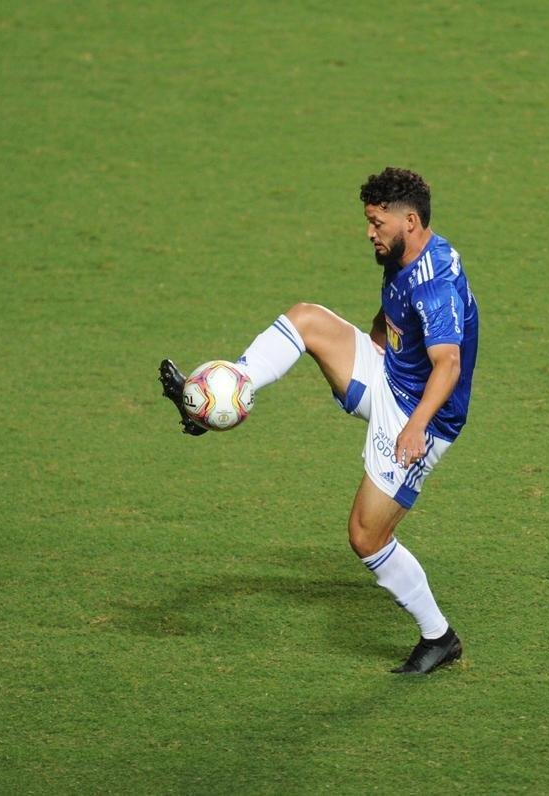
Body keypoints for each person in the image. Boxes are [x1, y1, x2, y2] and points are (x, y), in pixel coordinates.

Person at [159, 167, 479, 675]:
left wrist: (414, 428)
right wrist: (372, 342)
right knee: (307, 318)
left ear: (410, 221)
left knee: (365, 538)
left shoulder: (435, 285)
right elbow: (394, 307)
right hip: (389, 373)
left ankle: (439, 637)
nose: (369, 232)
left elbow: (449, 365)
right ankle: (223, 395)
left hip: (421, 418)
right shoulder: (405, 251)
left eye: (377, 223)